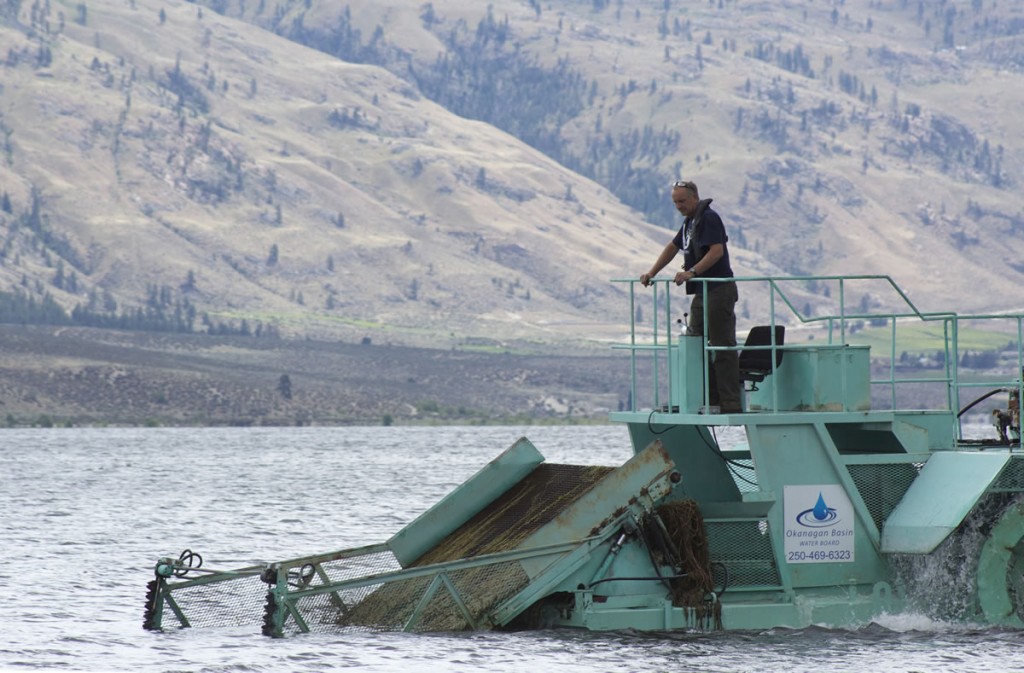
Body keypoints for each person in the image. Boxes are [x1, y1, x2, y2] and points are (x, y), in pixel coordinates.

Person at [640, 180, 741, 413]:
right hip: (702, 291)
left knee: (722, 345)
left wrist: (692, 272)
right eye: (675, 202)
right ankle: (706, 398)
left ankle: (730, 402)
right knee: (695, 343)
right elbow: (672, 247)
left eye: (682, 201)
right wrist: (652, 272)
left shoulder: (709, 218)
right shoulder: (689, 223)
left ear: (694, 197)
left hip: (718, 289)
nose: (679, 206)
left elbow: (717, 251)